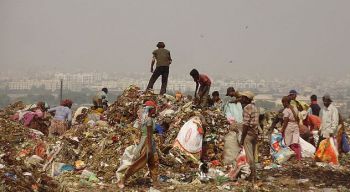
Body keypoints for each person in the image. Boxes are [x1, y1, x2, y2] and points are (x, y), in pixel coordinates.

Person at [118, 100, 159, 189]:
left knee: (153, 162)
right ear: (151, 110)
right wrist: (148, 147)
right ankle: (123, 179)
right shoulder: (148, 120)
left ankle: (155, 182)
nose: (155, 110)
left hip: (150, 142)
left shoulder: (146, 119)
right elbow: (148, 134)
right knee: (139, 163)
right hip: (147, 143)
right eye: (154, 109)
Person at [239, 91, 259, 181]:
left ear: (247, 99)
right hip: (255, 133)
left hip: (249, 134)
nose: (241, 99)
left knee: (249, 156)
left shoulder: (247, 108)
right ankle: (254, 174)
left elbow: (246, 124)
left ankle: (251, 175)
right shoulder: (255, 107)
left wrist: (242, 139)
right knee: (254, 155)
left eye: (243, 97)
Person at [280, 96, 301, 160]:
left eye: (283, 103)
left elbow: (286, 121)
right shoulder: (295, 108)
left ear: (286, 102)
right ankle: (298, 157)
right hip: (296, 126)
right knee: (295, 142)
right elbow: (298, 118)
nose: (283, 104)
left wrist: (282, 129)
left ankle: (289, 157)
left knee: (288, 143)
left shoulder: (286, 110)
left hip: (289, 126)